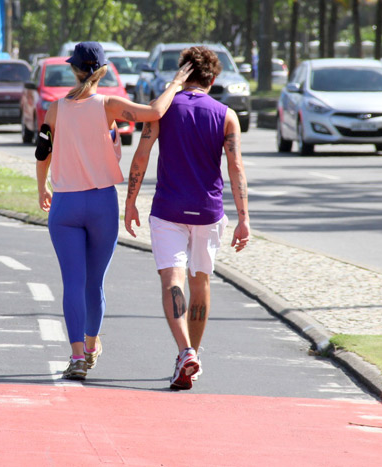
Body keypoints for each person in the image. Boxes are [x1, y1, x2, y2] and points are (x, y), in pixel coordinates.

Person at [36, 42, 192, 380]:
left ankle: (77, 357)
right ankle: (92, 348)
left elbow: (42, 151)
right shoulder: (108, 105)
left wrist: (41, 187)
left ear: (74, 69)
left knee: (72, 283)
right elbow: (154, 113)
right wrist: (175, 85)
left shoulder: (54, 110)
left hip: (65, 205)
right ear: (102, 70)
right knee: (95, 284)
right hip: (102, 203)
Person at [124, 45, 250, 390]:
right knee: (200, 282)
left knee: (171, 281)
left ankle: (185, 351)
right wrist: (244, 217)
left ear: (184, 74)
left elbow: (141, 155)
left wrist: (130, 201)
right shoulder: (226, 115)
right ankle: (192, 352)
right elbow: (235, 168)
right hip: (208, 212)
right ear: (213, 79)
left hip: (168, 209)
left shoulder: (163, 110)